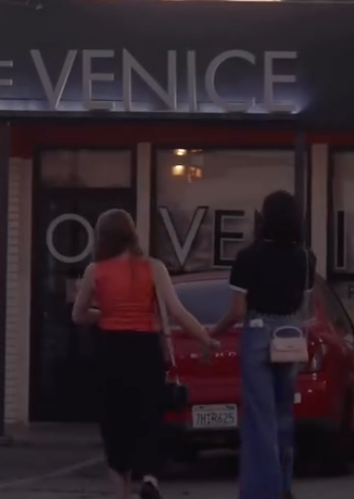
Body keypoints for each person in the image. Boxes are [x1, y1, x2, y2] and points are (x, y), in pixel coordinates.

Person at [71, 210, 216, 499]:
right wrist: (205, 337)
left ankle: (121, 491)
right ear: (132, 234)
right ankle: (149, 477)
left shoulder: (94, 271)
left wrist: (106, 313)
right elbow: (176, 311)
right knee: (149, 416)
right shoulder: (154, 268)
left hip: (110, 351)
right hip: (145, 350)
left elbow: (78, 315)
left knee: (115, 425)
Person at [211, 191, 316, 499]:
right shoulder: (305, 257)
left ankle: (261, 491)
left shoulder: (248, 257)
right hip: (290, 333)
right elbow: (305, 306)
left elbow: (237, 310)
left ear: (264, 219)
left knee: (260, 418)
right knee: (285, 414)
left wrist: (215, 332)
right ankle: (284, 487)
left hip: (257, 331)